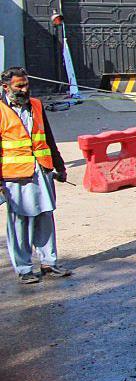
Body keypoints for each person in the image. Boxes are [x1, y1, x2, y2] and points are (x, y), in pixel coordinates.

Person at [0, 67, 71, 284]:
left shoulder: (37, 106)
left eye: (26, 84)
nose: (24, 89)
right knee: (20, 222)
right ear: (6, 87)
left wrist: (59, 167)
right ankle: (24, 268)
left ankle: (49, 262)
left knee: (45, 216)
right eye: (19, 86)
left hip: (41, 170)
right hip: (14, 176)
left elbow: (48, 138)